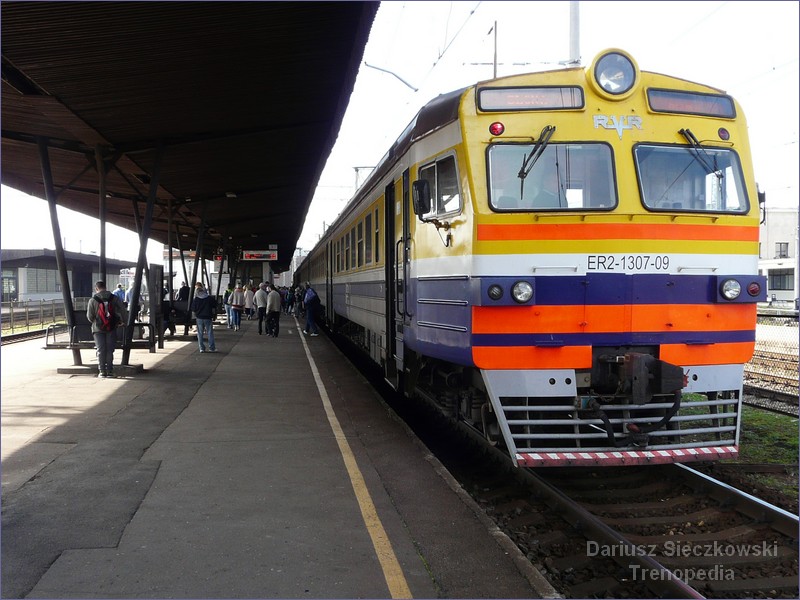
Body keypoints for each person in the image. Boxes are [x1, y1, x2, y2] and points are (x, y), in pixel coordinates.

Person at [86, 280, 128, 378]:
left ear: (96, 289)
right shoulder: (114, 298)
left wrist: (97, 322)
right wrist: (123, 321)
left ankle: (102, 371)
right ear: (105, 287)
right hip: (111, 327)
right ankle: (110, 370)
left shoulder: (92, 300)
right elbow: (123, 310)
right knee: (109, 349)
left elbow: (89, 316)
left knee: (100, 349)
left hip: (97, 329)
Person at [190, 282, 217, 353]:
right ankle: (212, 348)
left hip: (199, 318)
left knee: (200, 333)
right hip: (208, 317)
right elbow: (215, 305)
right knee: (210, 332)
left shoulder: (196, 299)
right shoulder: (209, 298)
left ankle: (201, 348)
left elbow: (193, 309)